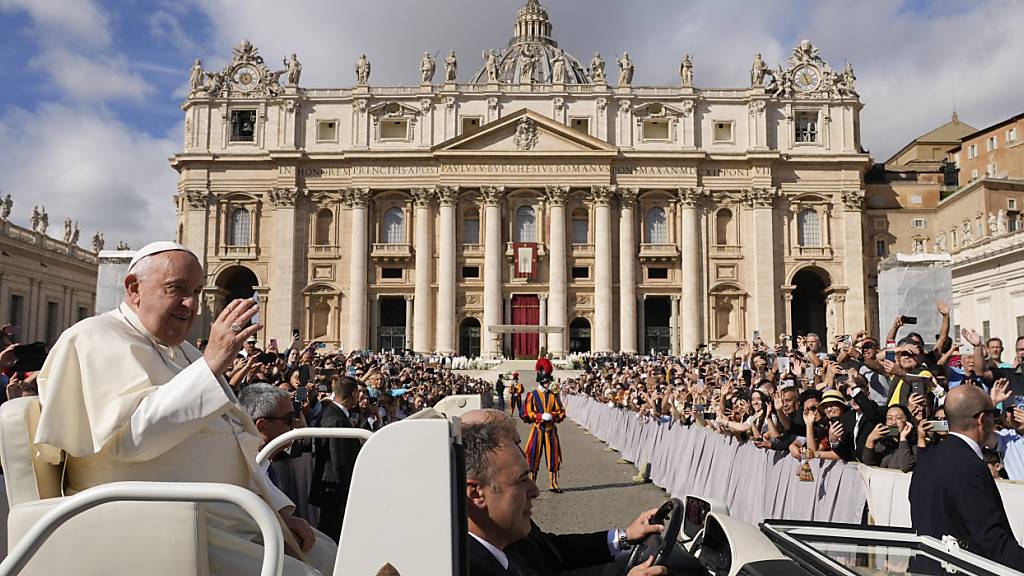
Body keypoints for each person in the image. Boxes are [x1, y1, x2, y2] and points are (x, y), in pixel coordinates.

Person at [32, 241, 335, 575]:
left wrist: (279, 510)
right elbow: (129, 439)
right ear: (134, 288)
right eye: (176, 289)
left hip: (226, 513)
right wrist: (211, 365)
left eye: (196, 291)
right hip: (158, 521)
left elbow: (237, 441)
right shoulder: (92, 338)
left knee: (333, 554)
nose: (191, 304)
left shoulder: (185, 351)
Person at [461, 410, 666, 576]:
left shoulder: (498, 534)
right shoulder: (471, 565)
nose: (534, 491)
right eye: (521, 481)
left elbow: (552, 550)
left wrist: (624, 536)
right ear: (475, 494)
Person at [909, 385, 1024, 568]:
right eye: (992, 415)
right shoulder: (969, 466)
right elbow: (991, 541)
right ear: (981, 419)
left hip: (924, 567)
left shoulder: (928, 458)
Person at [311, 375, 362, 542]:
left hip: (331, 485)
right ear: (354, 394)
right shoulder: (336, 418)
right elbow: (339, 459)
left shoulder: (331, 413)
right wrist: (348, 488)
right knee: (331, 533)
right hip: (335, 487)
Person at [522, 372, 566, 492]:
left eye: (548, 381)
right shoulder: (533, 395)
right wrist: (540, 416)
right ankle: (531, 484)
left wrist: (552, 415)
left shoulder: (553, 395)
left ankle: (553, 483)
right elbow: (526, 412)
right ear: (541, 381)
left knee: (553, 456)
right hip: (537, 429)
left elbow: (561, 411)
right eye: (546, 381)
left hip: (550, 430)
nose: (548, 383)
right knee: (533, 455)